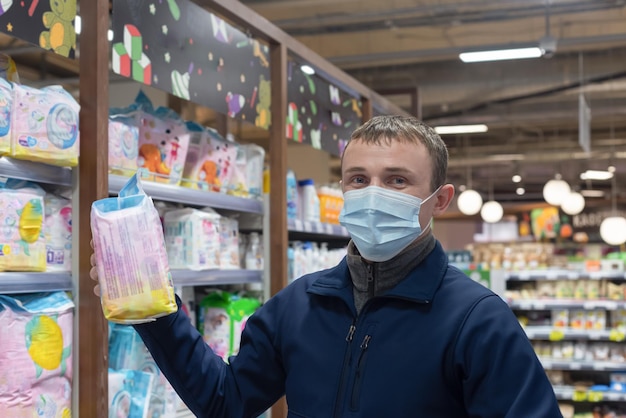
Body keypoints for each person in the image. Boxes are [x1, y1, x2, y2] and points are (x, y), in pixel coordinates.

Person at [91, 115, 562, 417]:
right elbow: (225, 401)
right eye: (359, 179)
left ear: (438, 200)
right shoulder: (300, 304)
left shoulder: (477, 321)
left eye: (397, 180)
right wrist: (153, 305)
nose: (373, 194)